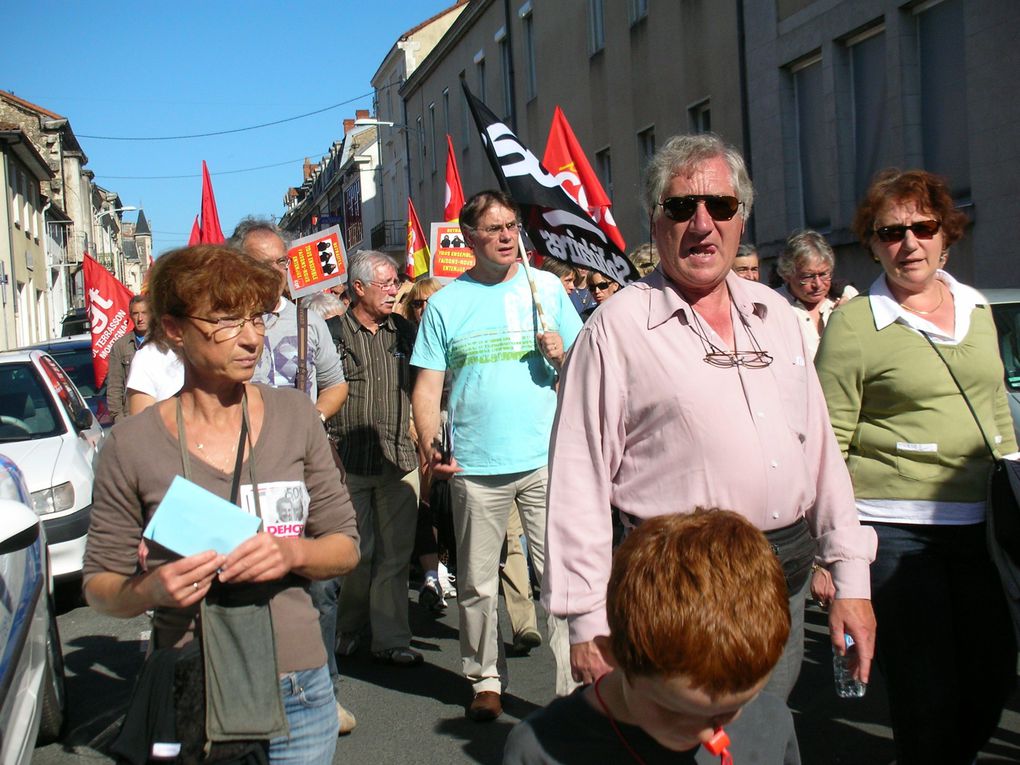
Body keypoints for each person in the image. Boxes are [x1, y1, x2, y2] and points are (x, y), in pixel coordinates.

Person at [544, 133, 877, 704]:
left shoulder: (774, 313)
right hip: (678, 593)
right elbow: (579, 478)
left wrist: (851, 577)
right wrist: (585, 620)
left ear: (740, 220)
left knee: (770, 737)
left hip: (785, 585)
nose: (702, 224)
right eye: (681, 207)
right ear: (655, 222)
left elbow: (819, 454)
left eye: (720, 206)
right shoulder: (616, 327)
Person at [82, 245, 361, 764]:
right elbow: (100, 585)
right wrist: (149, 589)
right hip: (196, 686)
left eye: (257, 318)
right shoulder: (132, 444)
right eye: (228, 321)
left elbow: (345, 545)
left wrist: (290, 556)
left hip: (299, 687)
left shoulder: (296, 416)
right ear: (173, 329)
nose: (252, 337)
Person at [815, 168, 1018, 764]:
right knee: (926, 694)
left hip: (983, 530)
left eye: (922, 227)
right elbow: (828, 443)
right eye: (891, 231)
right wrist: (833, 551)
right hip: (896, 532)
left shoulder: (977, 309)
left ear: (946, 235)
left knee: (992, 680)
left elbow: (996, 413)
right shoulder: (856, 324)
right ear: (873, 243)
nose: (909, 243)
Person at [411, 190, 583, 721]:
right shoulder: (445, 303)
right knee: (478, 582)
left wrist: (564, 353)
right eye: (496, 229)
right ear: (470, 239)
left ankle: (572, 684)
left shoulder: (546, 288)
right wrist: (429, 446)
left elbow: (585, 365)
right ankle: (485, 678)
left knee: (559, 573)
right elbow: (426, 386)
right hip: (476, 466)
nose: (509, 236)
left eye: (512, 226)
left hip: (544, 455)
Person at [504, 510, 800, 764]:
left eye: (728, 711)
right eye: (674, 711)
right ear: (613, 654)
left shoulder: (770, 723)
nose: (706, 735)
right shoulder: (542, 749)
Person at [229, 217, 354, 734]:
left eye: (284, 261)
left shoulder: (306, 320)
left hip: (302, 469)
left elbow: (336, 385)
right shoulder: (226, 323)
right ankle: (253, 691)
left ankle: (324, 689)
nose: (282, 271)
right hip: (242, 473)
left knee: (320, 586)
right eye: (269, 263)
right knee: (246, 583)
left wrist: (310, 423)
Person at [328, 251, 423, 667]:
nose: (393, 290)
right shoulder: (330, 332)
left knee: (395, 556)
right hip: (347, 460)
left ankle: (391, 639)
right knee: (356, 554)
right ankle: (347, 628)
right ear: (359, 288)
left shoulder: (403, 330)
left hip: (398, 458)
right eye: (384, 284)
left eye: (395, 282)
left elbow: (425, 383)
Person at [775, 230, 850, 360]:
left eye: (824, 274)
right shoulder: (774, 304)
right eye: (808, 277)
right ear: (787, 275)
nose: (818, 284)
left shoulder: (846, 296)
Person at [106, 294, 150, 422]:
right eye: (136, 313)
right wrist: (119, 418)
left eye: (144, 313)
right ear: (130, 316)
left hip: (158, 414)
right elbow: (114, 385)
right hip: (131, 417)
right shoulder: (121, 346)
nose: (140, 318)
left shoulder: (162, 342)